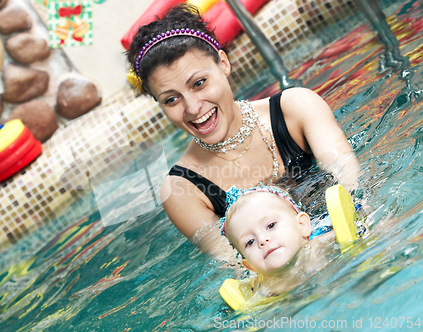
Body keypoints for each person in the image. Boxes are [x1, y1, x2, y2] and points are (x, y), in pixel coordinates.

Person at [126, 4, 359, 253]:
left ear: (223, 64)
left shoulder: (296, 109)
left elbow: (354, 191)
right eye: (171, 99)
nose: (193, 108)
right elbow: (238, 266)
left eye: (199, 83)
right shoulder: (182, 191)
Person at [221, 184, 337, 296]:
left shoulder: (323, 244)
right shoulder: (262, 291)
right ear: (250, 266)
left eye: (271, 226)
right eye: (250, 242)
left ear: (302, 225)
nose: (262, 239)